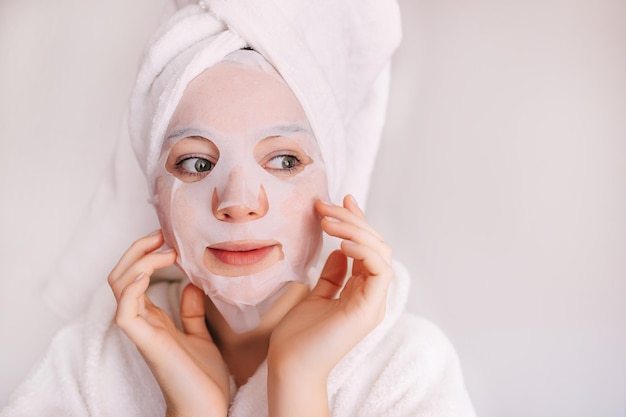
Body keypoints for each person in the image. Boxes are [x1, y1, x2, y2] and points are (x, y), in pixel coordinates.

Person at [2, 1, 476, 416]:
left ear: (333, 188)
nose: (238, 203)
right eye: (195, 162)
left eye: (285, 160)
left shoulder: (409, 368)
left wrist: (298, 383)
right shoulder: (89, 365)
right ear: (154, 198)